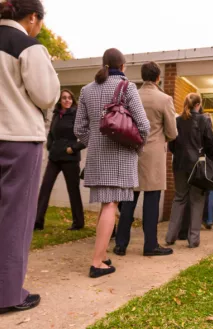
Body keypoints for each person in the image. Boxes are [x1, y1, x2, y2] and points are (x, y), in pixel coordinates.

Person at [0, 0, 60, 314]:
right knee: (16, 218)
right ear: (33, 17)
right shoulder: (28, 46)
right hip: (19, 138)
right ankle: (8, 293)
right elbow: (47, 94)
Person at [74, 48, 150, 278]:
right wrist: (136, 146)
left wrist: (95, 142)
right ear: (123, 66)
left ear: (104, 64)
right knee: (111, 205)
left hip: (97, 157)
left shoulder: (86, 90)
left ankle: (102, 253)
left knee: (105, 204)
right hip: (120, 156)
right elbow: (144, 126)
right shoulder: (127, 87)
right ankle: (97, 263)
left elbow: (79, 129)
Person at [114, 61, 177, 257]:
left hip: (132, 151)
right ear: (158, 77)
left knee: (128, 200)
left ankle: (120, 244)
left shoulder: (130, 96)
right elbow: (172, 132)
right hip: (154, 154)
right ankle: (150, 245)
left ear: (143, 76)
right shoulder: (165, 99)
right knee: (151, 201)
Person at [165, 93, 213, 248]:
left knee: (179, 198)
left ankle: (170, 236)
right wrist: (211, 156)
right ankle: (193, 239)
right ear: (198, 105)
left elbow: (171, 145)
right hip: (198, 166)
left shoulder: (178, 121)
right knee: (197, 201)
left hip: (180, 165)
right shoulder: (204, 120)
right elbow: (211, 143)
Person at [34, 90, 86, 231]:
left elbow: (87, 135)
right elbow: (51, 133)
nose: (67, 100)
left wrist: (73, 148)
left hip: (70, 158)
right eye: (64, 98)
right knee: (45, 187)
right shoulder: (56, 114)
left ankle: (78, 222)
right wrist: (51, 146)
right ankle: (38, 221)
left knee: (73, 190)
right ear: (60, 101)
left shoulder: (77, 114)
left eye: (69, 98)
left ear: (73, 100)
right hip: (54, 157)